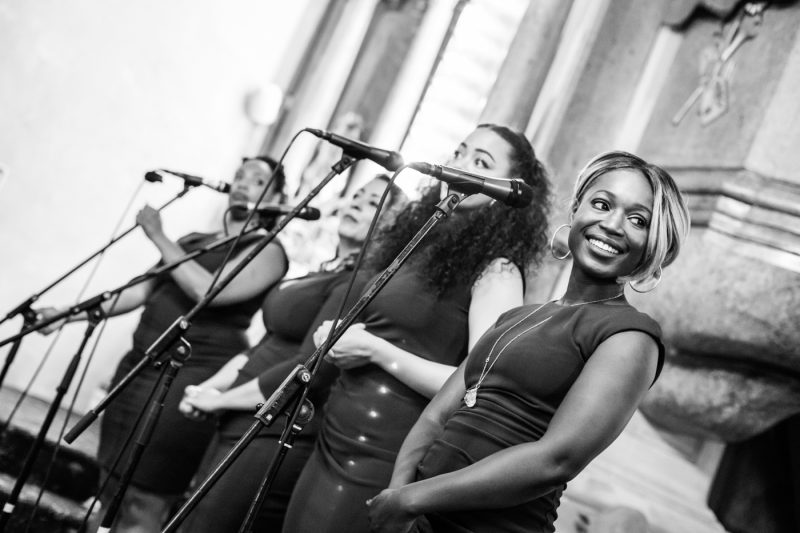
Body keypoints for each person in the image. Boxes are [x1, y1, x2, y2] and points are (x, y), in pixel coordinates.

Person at [366, 150, 692, 533]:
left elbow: (556, 460)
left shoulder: (631, 336)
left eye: (638, 220)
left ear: (654, 246)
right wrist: (398, 495)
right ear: (576, 210)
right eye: (602, 204)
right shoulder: (515, 317)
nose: (612, 224)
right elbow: (436, 416)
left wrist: (411, 499)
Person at [280, 123, 552, 533]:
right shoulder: (423, 243)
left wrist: (376, 350)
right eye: (460, 152)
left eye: (481, 162)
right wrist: (339, 335)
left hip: (383, 456)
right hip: (333, 436)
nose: (459, 164)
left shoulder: (497, 271)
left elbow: (482, 385)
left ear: (508, 191)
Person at [36, 156, 290, 532]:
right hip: (139, 368)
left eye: (256, 180)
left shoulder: (268, 250)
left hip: (188, 377)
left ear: (280, 197)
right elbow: (138, 291)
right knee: (109, 485)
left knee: (144, 494)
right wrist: (65, 314)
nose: (241, 183)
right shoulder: (194, 242)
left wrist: (157, 234)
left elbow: (209, 290)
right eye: (239, 175)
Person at [174, 174, 408, 532]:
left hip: (273, 423)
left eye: (373, 203)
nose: (358, 203)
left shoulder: (362, 281)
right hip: (240, 409)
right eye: (358, 195)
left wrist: (221, 401)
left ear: (394, 225)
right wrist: (211, 389)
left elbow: (308, 367)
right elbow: (264, 346)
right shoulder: (328, 270)